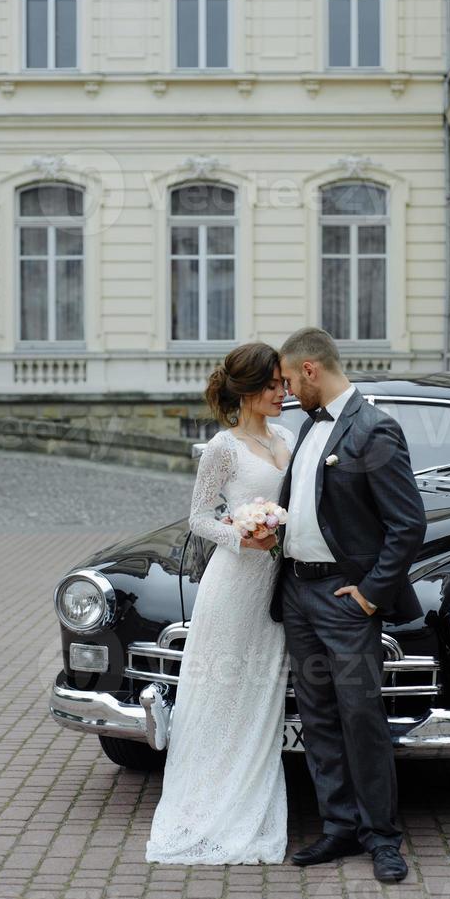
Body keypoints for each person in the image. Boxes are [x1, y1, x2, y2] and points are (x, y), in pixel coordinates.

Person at [272, 326, 427, 883]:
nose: (287, 391)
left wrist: (369, 594)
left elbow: (407, 524)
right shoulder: (307, 427)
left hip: (344, 599)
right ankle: (338, 828)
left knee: (361, 715)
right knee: (316, 716)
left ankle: (382, 838)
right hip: (297, 592)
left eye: (290, 379)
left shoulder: (374, 430)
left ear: (310, 370)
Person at [145, 342, 295, 865]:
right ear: (251, 390)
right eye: (275, 384)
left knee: (259, 697)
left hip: (277, 587)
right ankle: (209, 805)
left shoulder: (289, 438)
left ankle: (249, 794)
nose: (284, 391)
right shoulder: (222, 448)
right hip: (233, 586)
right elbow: (198, 518)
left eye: (284, 383)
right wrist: (240, 533)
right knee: (222, 693)